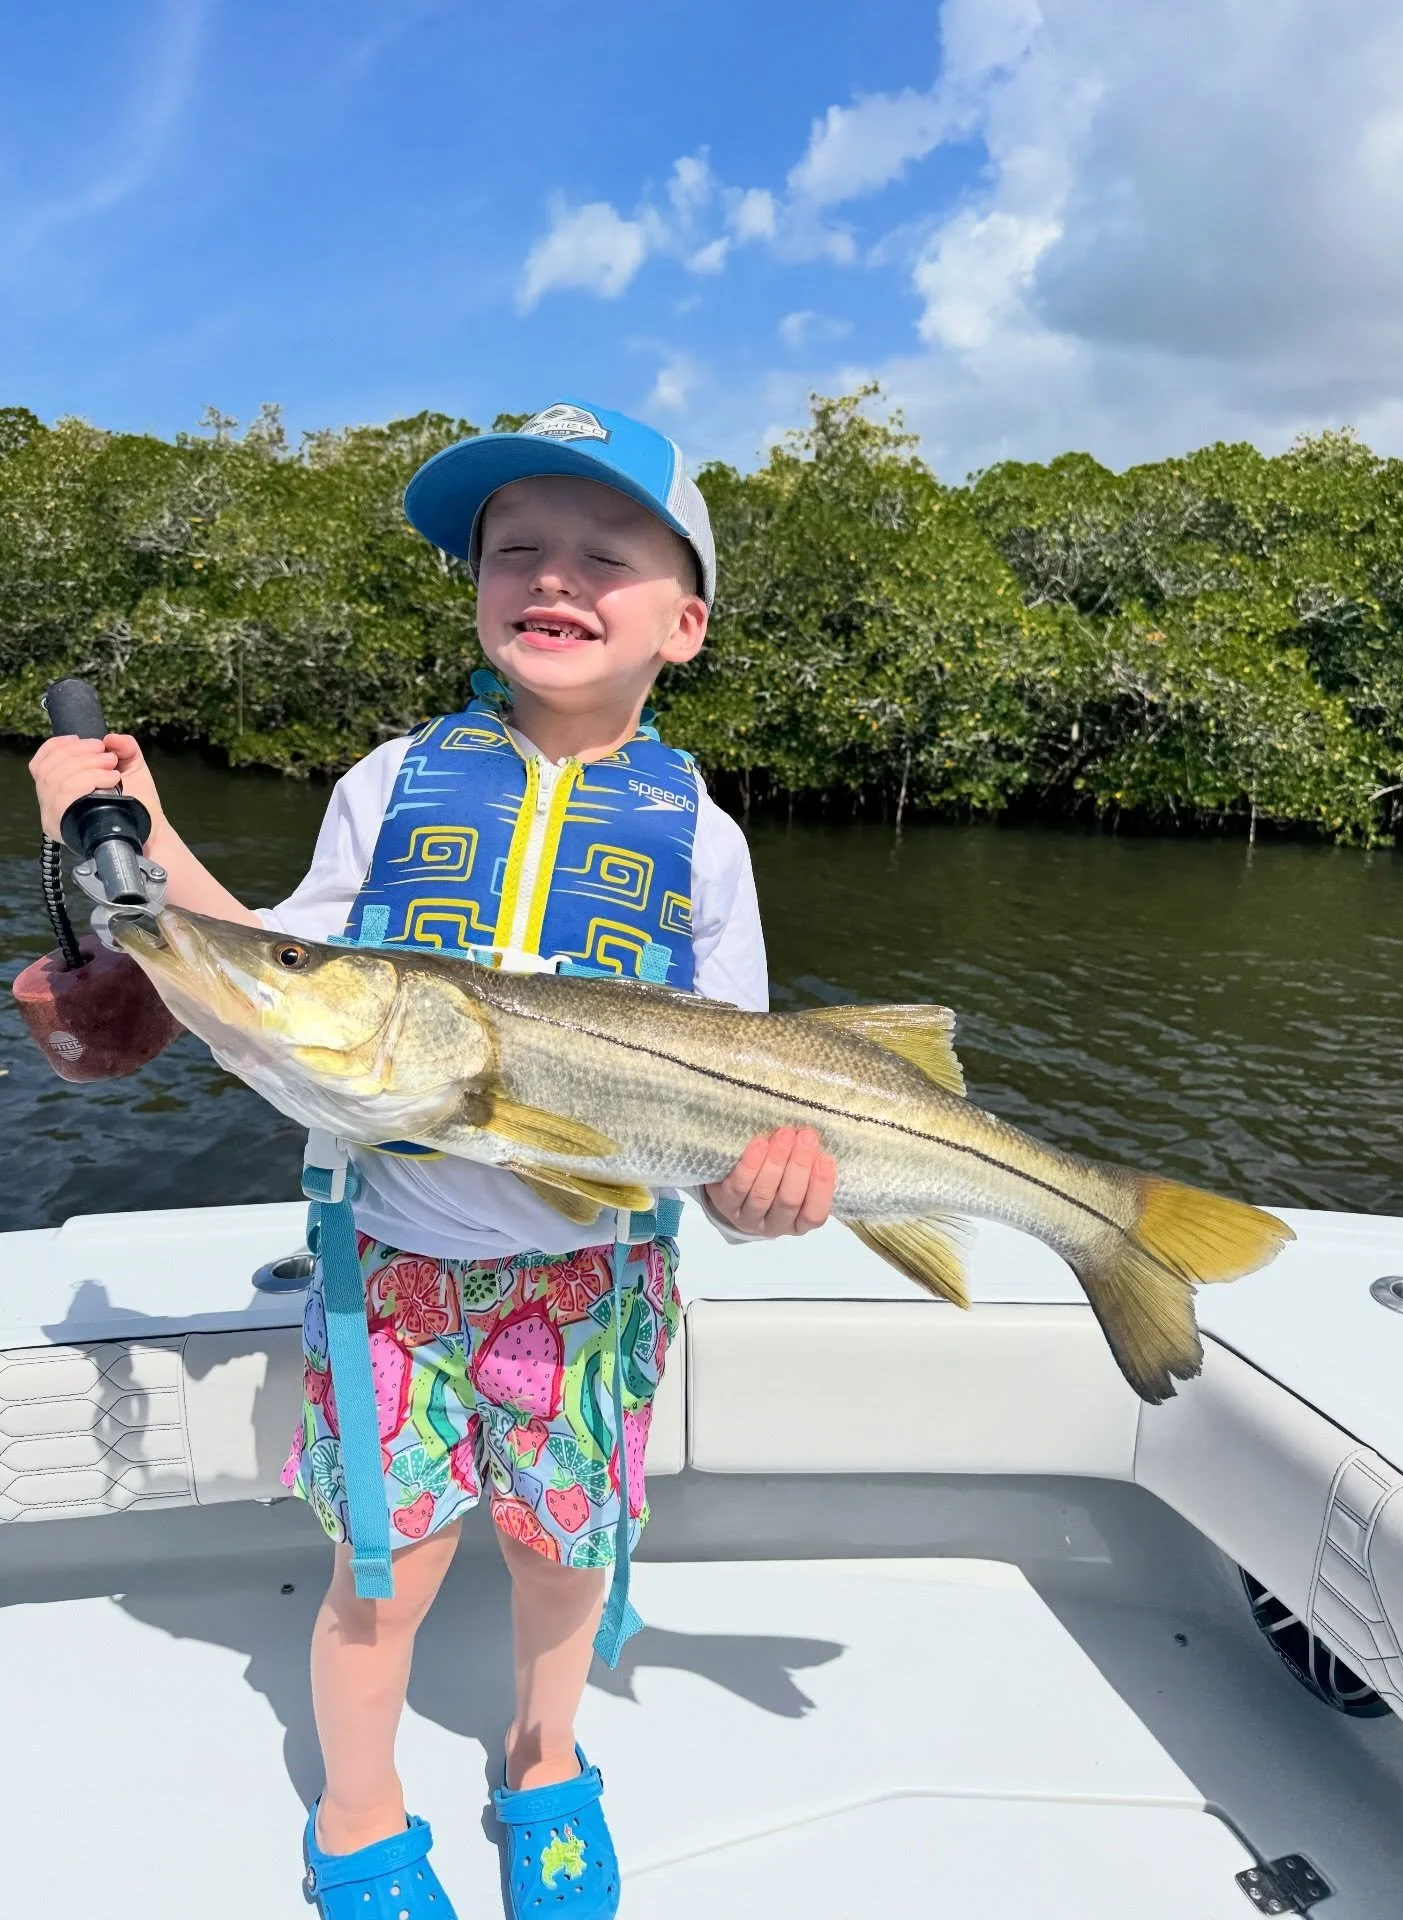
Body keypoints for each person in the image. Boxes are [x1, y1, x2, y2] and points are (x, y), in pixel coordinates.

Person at [29, 399, 837, 1920]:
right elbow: (290, 973)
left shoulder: (707, 843)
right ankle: (359, 1811)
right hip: (392, 1279)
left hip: (596, 1284)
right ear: (476, 593)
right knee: (379, 1576)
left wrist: (761, 1190)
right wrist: (121, 826)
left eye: (606, 554)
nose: (553, 575)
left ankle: (544, 1763)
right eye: (514, 548)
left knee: (560, 1562)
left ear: (687, 623)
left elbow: (739, 1094)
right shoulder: (390, 780)